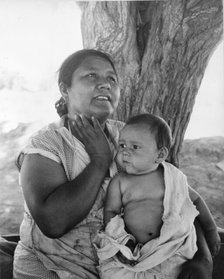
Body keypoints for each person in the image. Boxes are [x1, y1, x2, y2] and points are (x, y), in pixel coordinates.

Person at [12, 49, 213, 279]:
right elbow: (53, 224)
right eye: (91, 76)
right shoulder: (47, 145)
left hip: (127, 268)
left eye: (112, 79)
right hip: (54, 267)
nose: (105, 84)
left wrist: (202, 258)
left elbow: (176, 196)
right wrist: (99, 160)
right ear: (64, 89)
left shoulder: (128, 137)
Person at [94, 113, 220, 279]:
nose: (125, 152)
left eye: (135, 147)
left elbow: (195, 200)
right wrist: (122, 241)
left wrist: (211, 229)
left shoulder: (171, 177)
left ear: (160, 155)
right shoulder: (120, 181)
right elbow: (111, 212)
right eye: (122, 145)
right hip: (132, 250)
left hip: (170, 249)